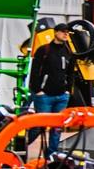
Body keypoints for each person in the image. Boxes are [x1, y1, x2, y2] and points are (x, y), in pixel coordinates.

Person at [29, 23, 75, 154]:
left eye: (67, 32)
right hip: (45, 96)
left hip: (61, 96)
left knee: (57, 128)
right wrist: (38, 90)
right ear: (56, 33)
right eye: (63, 31)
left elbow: (71, 72)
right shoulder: (44, 50)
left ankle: (51, 156)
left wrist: (68, 90)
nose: (66, 34)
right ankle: (21, 146)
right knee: (39, 126)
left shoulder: (69, 52)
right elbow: (35, 71)